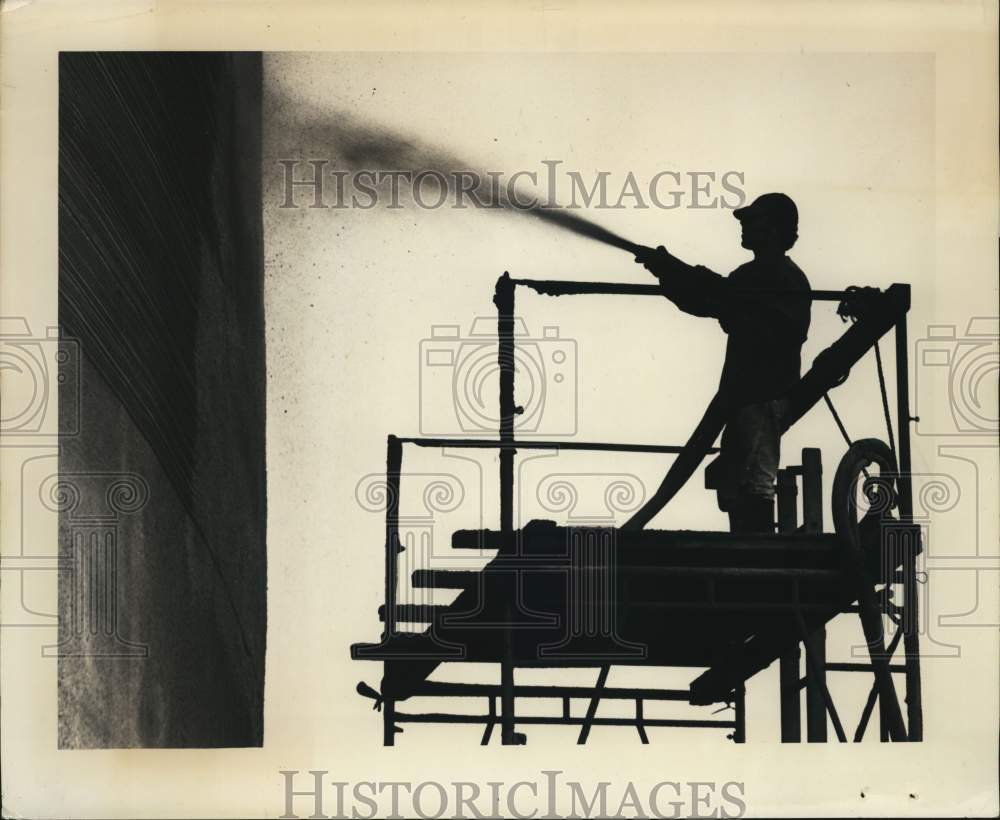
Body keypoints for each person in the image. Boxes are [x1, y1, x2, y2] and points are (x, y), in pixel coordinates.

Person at [636, 193, 811, 533]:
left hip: (760, 398)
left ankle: (755, 554)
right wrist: (670, 271)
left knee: (753, 479)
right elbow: (717, 297)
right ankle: (751, 548)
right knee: (740, 477)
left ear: (774, 230)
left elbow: (715, 298)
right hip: (750, 397)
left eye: (753, 221)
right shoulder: (772, 276)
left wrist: (670, 271)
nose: (744, 227)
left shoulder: (771, 276)